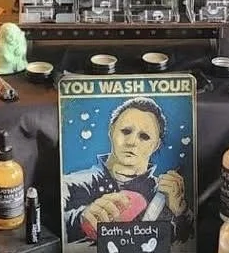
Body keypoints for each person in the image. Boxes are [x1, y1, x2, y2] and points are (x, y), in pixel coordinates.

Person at [63, 98, 192, 243]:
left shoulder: (168, 196)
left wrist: (181, 213)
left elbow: (187, 247)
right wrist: (80, 220)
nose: (132, 142)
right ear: (111, 131)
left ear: (156, 145)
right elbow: (49, 231)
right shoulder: (70, 184)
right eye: (125, 131)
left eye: (144, 136)